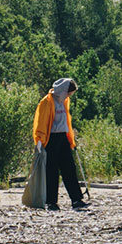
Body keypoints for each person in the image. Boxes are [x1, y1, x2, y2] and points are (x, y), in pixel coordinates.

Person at [32, 78, 89, 211]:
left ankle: (76, 199)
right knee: (51, 171)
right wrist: (39, 140)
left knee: (69, 168)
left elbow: (66, 122)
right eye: (69, 93)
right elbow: (40, 121)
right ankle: (51, 202)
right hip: (51, 138)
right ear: (63, 91)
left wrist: (71, 140)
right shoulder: (46, 102)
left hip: (63, 138)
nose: (70, 95)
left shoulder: (64, 101)